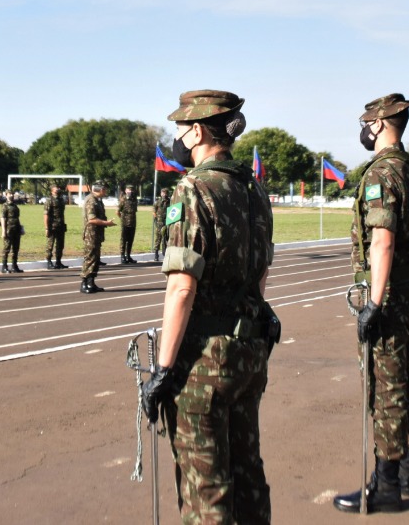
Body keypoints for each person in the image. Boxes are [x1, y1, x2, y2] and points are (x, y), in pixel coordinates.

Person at [140, 89, 276, 524]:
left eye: (180, 129)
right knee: (247, 470)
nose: (177, 138)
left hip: (205, 358)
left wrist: (162, 370)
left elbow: (182, 287)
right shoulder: (253, 189)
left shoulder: (194, 189)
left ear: (197, 131)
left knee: (206, 484)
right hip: (249, 346)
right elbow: (260, 273)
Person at [332, 94, 409, 512]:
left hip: (388, 292)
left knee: (386, 385)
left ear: (381, 124)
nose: (363, 129)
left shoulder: (382, 173)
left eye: (366, 122)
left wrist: (374, 301)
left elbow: (383, 241)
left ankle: (386, 484)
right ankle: (407, 471)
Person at [79, 181, 115, 293]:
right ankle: (84, 283)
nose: (105, 192)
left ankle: (91, 282)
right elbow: (92, 219)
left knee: (95, 259)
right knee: (90, 258)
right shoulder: (91, 200)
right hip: (91, 234)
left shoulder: (98, 201)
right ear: (99, 189)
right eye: (104, 189)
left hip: (97, 233)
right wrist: (106, 223)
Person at [44, 185, 68, 269]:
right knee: (50, 245)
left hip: (61, 225)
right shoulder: (49, 200)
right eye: (55, 189)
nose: (58, 189)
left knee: (60, 245)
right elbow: (46, 214)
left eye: (58, 188)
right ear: (52, 191)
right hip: (52, 226)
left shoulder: (61, 200)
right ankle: (49, 261)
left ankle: (58, 261)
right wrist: (47, 228)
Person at [1, 192, 23, 273]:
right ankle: (4, 266)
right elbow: (2, 218)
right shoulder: (5, 206)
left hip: (16, 228)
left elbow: (17, 217)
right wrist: (3, 231)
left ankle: (14, 266)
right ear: (6, 195)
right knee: (6, 248)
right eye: (9, 194)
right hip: (8, 229)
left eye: (12, 194)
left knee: (16, 248)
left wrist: (21, 228)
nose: (11, 195)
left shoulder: (15, 205)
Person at [118, 184, 138, 264]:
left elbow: (134, 211)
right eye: (129, 190)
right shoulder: (123, 199)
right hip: (125, 224)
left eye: (131, 190)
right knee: (123, 240)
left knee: (130, 240)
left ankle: (128, 256)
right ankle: (122, 256)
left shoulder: (134, 200)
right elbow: (118, 211)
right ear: (126, 191)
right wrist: (123, 219)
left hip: (133, 223)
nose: (130, 192)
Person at [152, 187, 172, 262]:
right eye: (163, 193)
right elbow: (154, 211)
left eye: (165, 193)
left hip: (167, 223)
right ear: (160, 193)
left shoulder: (170, 202)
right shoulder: (157, 202)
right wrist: (156, 219)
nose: (164, 195)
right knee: (158, 239)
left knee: (166, 239)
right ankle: (156, 255)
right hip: (159, 223)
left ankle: (166, 254)